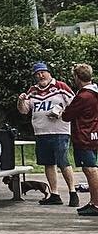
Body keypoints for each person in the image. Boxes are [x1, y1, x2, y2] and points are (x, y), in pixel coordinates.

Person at [17, 62, 78, 208]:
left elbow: (75, 105)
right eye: (37, 74)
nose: (40, 76)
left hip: (59, 131)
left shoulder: (61, 87)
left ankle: (72, 192)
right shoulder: (33, 90)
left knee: (63, 162)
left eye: (43, 72)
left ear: (49, 73)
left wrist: (61, 113)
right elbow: (24, 110)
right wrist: (20, 101)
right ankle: (54, 194)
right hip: (41, 132)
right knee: (48, 163)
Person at [63, 63, 98, 216]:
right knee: (91, 168)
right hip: (94, 134)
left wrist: (65, 109)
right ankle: (93, 201)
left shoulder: (83, 96)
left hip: (84, 136)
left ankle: (96, 203)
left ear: (77, 77)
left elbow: (67, 115)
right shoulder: (95, 92)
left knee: (90, 169)